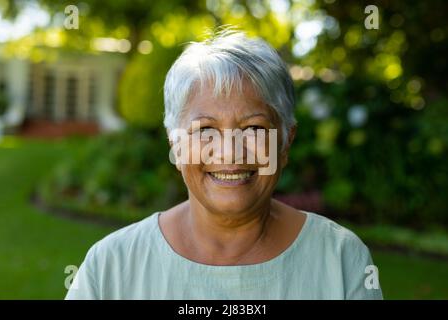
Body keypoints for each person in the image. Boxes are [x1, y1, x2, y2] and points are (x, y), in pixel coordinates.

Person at [66, 29, 383, 300]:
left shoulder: (342, 260)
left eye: (254, 128)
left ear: (286, 141)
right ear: (175, 143)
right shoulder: (110, 267)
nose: (230, 153)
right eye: (205, 129)